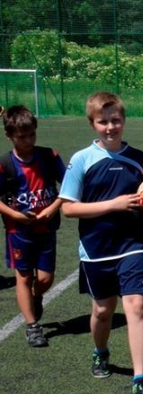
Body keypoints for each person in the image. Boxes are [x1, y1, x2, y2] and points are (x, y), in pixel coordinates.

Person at [59, 92, 143, 394]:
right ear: (93, 124)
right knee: (103, 311)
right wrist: (113, 204)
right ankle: (100, 352)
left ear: (124, 121)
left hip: (133, 244)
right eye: (103, 121)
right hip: (97, 249)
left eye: (116, 120)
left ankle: (140, 377)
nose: (111, 127)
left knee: (137, 307)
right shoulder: (81, 160)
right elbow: (69, 209)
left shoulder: (138, 158)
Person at [0, 105, 65, 347]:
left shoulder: (49, 156)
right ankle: (32, 326)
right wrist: (15, 216)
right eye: (21, 136)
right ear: (9, 136)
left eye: (32, 135)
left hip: (46, 229)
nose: (28, 140)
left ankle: (36, 297)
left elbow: (69, 185)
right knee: (24, 277)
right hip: (18, 232)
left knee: (46, 278)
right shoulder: (4, 164)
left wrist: (53, 207)